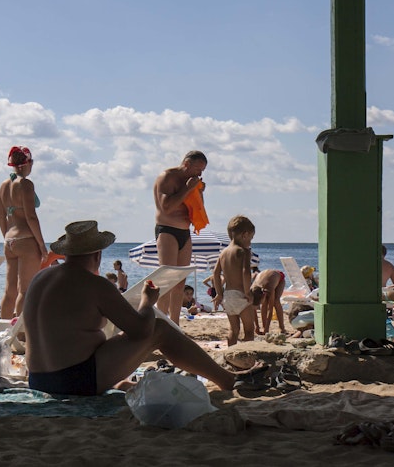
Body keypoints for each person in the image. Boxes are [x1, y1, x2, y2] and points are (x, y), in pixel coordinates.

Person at [23, 220, 260, 396]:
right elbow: (141, 331)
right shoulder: (94, 284)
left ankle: (121, 384)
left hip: (38, 380)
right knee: (159, 329)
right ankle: (227, 380)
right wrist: (148, 301)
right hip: (73, 381)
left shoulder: (40, 278)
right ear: (97, 254)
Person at [153, 150, 208, 325]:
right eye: (197, 169)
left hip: (185, 232)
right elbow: (166, 207)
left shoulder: (191, 182)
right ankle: (161, 324)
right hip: (167, 230)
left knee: (179, 284)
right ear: (186, 164)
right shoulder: (168, 177)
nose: (199, 174)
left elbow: (198, 208)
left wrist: (199, 192)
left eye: (202, 170)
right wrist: (188, 188)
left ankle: (175, 325)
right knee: (166, 282)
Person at [0, 146, 48, 319]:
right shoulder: (25, 184)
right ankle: (19, 330)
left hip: (9, 240)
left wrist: (6, 237)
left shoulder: (3, 186)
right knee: (25, 291)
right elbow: (31, 217)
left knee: (9, 291)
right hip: (26, 239)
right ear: (28, 163)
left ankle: (3, 330)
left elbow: (1, 216)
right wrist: (42, 245)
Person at [212, 215, 257, 346]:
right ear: (245, 235)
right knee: (249, 330)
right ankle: (246, 354)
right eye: (251, 238)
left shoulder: (223, 253)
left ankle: (230, 352)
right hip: (241, 295)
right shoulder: (244, 251)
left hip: (228, 297)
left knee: (234, 329)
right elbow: (246, 272)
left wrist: (219, 293)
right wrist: (248, 292)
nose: (250, 242)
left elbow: (215, 274)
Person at [252, 269, 287, 335]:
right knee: (264, 304)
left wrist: (267, 329)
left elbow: (270, 310)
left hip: (279, 277)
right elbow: (253, 309)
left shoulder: (270, 288)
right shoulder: (252, 290)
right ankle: (264, 326)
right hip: (265, 278)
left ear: (264, 295)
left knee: (276, 302)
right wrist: (257, 327)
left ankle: (282, 327)